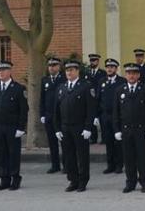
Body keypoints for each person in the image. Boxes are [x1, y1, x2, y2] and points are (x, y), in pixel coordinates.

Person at [0, 60, 28, 191]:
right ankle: (4, 178)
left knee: (13, 154)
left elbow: (23, 110)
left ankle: (15, 178)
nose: (1, 73)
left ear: (10, 71)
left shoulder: (18, 89)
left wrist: (21, 128)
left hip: (12, 127)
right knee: (0, 153)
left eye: (3, 70)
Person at [54, 60, 96, 192]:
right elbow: (56, 110)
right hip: (65, 127)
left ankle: (83, 181)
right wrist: (57, 129)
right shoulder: (61, 88)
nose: (69, 72)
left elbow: (91, 109)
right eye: (67, 70)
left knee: (82, 156)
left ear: (77, 71)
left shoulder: (86, 86)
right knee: (68, 156)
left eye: (72, 70)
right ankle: (73, 180)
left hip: (80, 127)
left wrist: (88, 127)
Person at [115, 63, 145, 193]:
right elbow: (116, 112)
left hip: (140, 130)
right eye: (129, 73)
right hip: (126, 130)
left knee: (142, 158)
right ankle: (130, 182)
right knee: (128, 158)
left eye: (134, 73)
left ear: (138, 75)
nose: (131, 76)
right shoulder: (120, 90)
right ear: (125, 75)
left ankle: (144, 182)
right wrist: (117, 130)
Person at [94, 58, 125, 174]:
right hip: (105, 116)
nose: (109, 69)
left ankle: (119, 165)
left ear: (116, 69)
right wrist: (96, 116)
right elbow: (97, 99)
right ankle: (110, 165)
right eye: (107, 67)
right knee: (108, 141)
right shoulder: (101, 81)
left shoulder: (122, 81)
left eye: (112, 67)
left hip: (117, 116)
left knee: (118, 141)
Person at [39, 57, 66, 174]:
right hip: (49, 115)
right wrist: (42, 113)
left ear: (59, 67)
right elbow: (42, 99)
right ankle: (55, 165)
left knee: (65, 142)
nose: (51, 68)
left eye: (54, 65)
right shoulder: (45, 80)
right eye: (50, 66)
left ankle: (67, 165)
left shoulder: (64, 79)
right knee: (52, 142)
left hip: (62, 115)